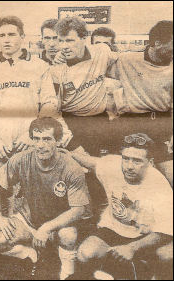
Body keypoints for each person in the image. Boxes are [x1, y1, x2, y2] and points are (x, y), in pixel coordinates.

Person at [0, 117, 91, 279]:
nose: (41, 145)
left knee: (68, 235)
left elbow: (78, 210)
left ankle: (67, 272)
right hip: (29, 221)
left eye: (47, 139)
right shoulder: (22, 159)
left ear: (58, 141)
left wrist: (47, 228)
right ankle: (31, 253)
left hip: (58, 225)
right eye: (36, 139)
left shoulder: (71, 167)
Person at [67, 133, 173, 280]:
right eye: (126, 159)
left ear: (151, 162)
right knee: (85, 253)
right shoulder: (113, 165)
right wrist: (66, 153)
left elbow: (164, 232)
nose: (129, 166)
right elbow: (91, 162)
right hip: (114, 229)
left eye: (137, 161)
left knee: (165, 256)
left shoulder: (160, 186)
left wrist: (132, 248)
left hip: (144, 237)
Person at [0, 16, 62, 173]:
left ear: (22, 37)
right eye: (2, 36)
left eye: (11, 35)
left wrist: (31, 134)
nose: (6, 40)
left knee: (30, 193)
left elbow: (49, 103)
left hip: (29, 143)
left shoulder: (40, 66)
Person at [108, 20, 173, 179]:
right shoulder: (127, 59)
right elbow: (96, 67)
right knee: (125, 173)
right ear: (157, 43)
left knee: (168, 174)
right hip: (130, 122)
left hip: (161, 124)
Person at [50, 16, 120, 157]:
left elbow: (120, 60)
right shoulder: (57, 69)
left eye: (70, 40)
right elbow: (54, 110)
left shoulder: (101, 51)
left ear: (84, 38)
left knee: (103, 168)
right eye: (61, 41)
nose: (63, 47)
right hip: (72, 123)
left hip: (100, 121)